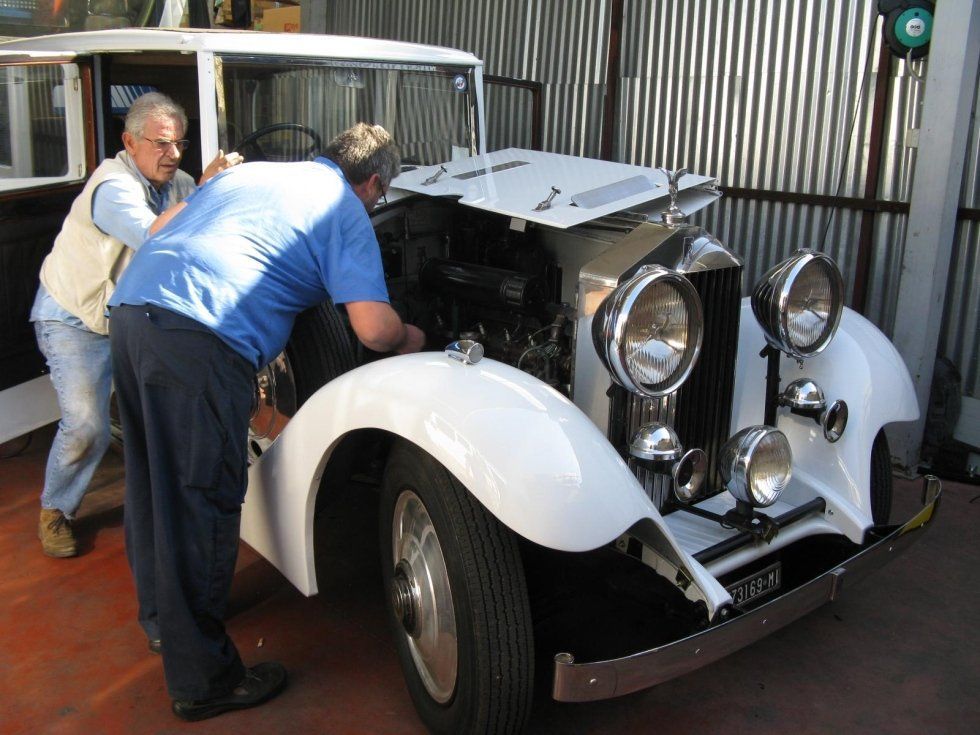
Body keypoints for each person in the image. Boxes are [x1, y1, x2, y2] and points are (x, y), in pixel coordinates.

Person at [107, 122, 425, 721]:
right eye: (382, 194)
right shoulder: (344, 206)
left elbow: (167, 227)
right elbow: (374, 330)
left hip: (132, 312)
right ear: (374, 182)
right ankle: (204, 681)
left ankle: (161, 622)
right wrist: (417, 335)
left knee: (152, 484)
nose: (379, 203)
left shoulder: (253, 173)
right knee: (203, 499)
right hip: (199, 334)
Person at [32, 91, 243, 559]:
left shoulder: (180, 182)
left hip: (129, 318)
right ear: (130, 141)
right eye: (161, 144)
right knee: (87, 425)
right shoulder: (113, 186)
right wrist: (209, 187)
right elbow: (154, 237)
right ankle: (55, 510)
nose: (172, 155)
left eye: (179, 145)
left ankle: (161, 506)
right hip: (74, 317)